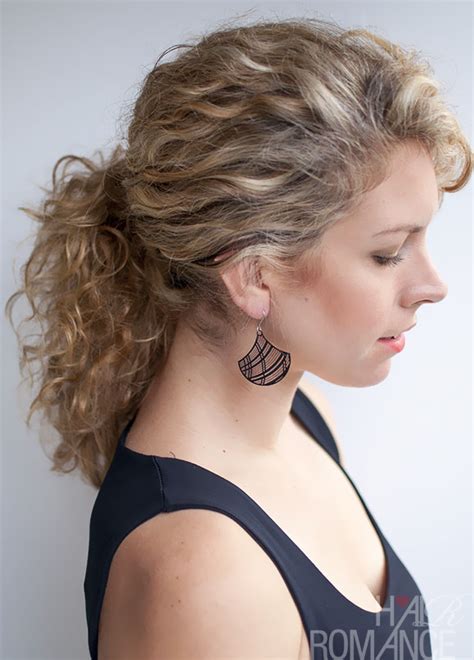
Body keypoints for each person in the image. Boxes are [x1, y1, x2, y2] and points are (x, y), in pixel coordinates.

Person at [5, 15, 471, 660]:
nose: (433, 285)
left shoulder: (306, 418)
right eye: (388, 253)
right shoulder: (203, 575)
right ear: (254, 275)